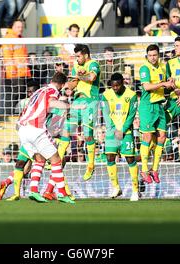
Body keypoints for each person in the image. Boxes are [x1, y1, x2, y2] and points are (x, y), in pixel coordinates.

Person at [17, 72, 75, 204]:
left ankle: (33, 191)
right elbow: (52, 102)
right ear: (61, 84)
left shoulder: (40, 90)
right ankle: (62, 193)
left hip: (22, 129)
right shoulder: (52, 91)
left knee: (39, 159)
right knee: (56, 160)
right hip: (36, 129)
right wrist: (71, 106)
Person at [58, 44, 100, 182]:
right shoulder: (76, 65)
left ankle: (91, 165)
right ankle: (57, 161)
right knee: (66, 131)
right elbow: (73, 83)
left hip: (90, 102)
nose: (77, 59)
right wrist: (64, 85)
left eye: (78, 56)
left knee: (88, 135)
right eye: (75, 56)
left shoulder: (93, 64)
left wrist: (80, 76)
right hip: (77, 101)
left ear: (86, 55)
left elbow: (92, 78)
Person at [139, 44, 174, 185]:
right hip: (148, 106)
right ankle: (144, 169)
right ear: (147, 55)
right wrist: (163, 84)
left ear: (158, 55)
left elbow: (167, 84)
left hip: (160, 105)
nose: (152, 57)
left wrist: (172, 85)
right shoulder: (144, 68)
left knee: (162, 137)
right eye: (150, 55)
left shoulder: (163, 67)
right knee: (147, 136)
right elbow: (146, 86)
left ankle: (155, 169)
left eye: (155, 55)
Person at [101, 73, 139, 201]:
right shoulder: (106, 95)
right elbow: (106, 115)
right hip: (112, 132)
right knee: (110, 157)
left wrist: (122, 130)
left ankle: (135, 190)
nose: (115, 88)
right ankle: (116, 187)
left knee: (129, 159)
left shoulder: (132, 95)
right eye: (113, 86)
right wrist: (113, 130)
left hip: (126, 132)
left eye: (118, 85)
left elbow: (131, 115)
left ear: (123, 83)